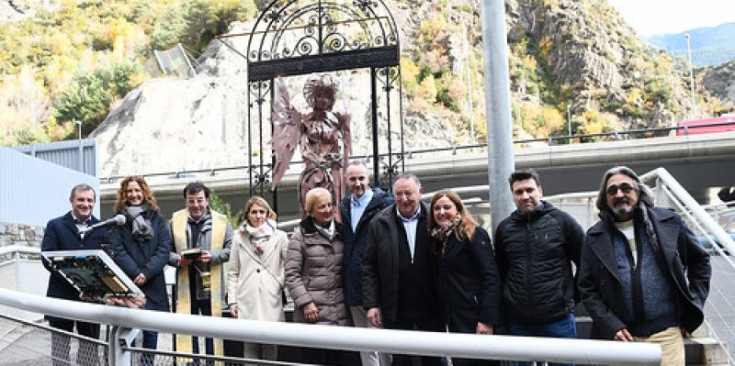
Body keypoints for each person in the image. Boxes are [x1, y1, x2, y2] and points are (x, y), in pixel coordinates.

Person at [578, 166, 711, 365]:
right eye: (612, 191)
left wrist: (694, 302)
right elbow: (587, 288)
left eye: (626, 188)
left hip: (665, 336)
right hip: (620, 340)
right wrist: (610, 325)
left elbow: (700, 261)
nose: (619, 194)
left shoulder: (669, 222)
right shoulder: (594, 237)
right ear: (604, 199)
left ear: (638, 192)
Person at [494, 169, 585, 366]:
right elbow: (500, 271)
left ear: (540, 191)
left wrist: (569, 298)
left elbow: (585, 262)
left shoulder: (562, 221)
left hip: (558, 319)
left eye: (530, 190)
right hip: (518, 322)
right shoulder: (504, 229)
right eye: (519, 192)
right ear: (513, 196)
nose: (525, 196)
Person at [362, 173, 442, 366]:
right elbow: (369, 265)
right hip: (395, 305)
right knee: (400, 359)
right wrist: (371, 304)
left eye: (409, 193)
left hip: (432, 305)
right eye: (399, 194)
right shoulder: (379, 222)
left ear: (420, 192)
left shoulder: (435, 218)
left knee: (433, 358)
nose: (404, 199)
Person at [429, 189, 500, 366]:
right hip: (454, 319)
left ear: (458, 209)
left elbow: (491, 277)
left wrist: (486, 319)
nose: (441, 212)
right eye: (437, 208)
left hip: (475, 318)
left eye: (447, 207)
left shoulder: (473, 234)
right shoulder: (439, 240)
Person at [284, 187, 353, 365]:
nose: (328, 210)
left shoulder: (343, 234)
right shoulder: (299, 238)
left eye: (330, 205)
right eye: (322, 207)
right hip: (312, 316)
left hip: (340, 314)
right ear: (310, 211)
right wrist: (306, 303)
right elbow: (291, 275)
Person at [108, 176, 171, 366]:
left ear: (144, 192)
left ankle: (147, 364)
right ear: (124, 195)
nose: (134, 195)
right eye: (129, 191)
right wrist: (135, 273)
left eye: (137, 190)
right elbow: (117, 249)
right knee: (129, 327)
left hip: (152, 281)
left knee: (151, 330)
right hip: (129, 282)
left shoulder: (156, 217)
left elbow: (164, 248)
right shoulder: (119, 220)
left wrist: (146, 272)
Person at [41, 184, 106, 366]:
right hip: (61, 296)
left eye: (89, 200)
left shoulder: (102, 228)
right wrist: (76, 279)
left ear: (94, 202)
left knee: (89, 350)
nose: (85, 204)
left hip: (92, 298)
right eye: (81, 200)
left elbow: (106, 261)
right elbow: (47, 258)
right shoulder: (55, 225)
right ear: (71, 201)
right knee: (60, 349)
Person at [337, 162, 394, 366]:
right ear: (346, 181)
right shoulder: (344, 207)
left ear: (368, 179)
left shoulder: (386, 205)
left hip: (380, 284)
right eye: (353, 179)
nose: (358, 183)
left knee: (386, 342)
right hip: (354, 283)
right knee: (365, 344)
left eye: (361, 178)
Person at [271, 74, 352, 215]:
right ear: (314, 96)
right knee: (311, 211)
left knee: (333, 210)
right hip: (312, 173)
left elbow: (340, 150)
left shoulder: (334, 123)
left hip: (332, 175)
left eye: (327, 96)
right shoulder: (305, 122)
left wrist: (344, 125)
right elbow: (304, 149)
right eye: (320, 95)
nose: (324, 100)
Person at [168, 182, 233, 359]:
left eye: (200, 200)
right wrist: (178, 260)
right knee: (188, 332)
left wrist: (213, 256)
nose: (196, 205)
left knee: (213, 331)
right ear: (185, 201)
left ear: (207, 200)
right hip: (185, 286)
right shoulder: (175, 222)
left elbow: (232, 249)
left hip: (211, 286)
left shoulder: (221, 221)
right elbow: (164, 251)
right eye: (191, 201)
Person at [226, 196, 289, 361]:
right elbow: (232, 271)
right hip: (247, 296)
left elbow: (289, 266)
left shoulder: (280, 236)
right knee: (250, 344)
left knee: (271, 343)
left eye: (262, 212)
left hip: (271, 296)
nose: (258, 216)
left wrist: (278, 282)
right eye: (254, 212)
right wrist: (232, 301)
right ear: (247, 215)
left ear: (268, 214)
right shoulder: (238, 238)